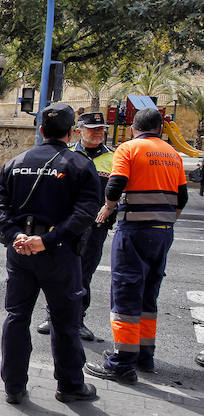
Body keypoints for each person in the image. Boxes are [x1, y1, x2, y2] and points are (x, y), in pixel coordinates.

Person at [0, 103, 100, 404]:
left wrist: (17, 235)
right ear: (71, 132)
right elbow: (86, 211)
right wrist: (48, 240)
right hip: (59, 255)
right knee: (65, 322)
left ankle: (13, 387)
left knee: (16, 317)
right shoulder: (79, 165)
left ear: (40, 130)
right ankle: (70, 385)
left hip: (21, 251)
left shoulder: (17, 161)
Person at [84, 108, 188, 383]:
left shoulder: (129, 149)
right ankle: (144, 355)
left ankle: (121, 362)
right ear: (160, 129)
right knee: (148, 294)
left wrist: (108, 208)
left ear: (132, 128)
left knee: (126, 291)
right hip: (163, 232)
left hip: (134, 231)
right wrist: (164, 220)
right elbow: (183, 197)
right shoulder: (173, 154)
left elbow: (115, 185)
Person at [38, 112, 114, 341]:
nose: (98, 133)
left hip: (95, 229)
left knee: (84, 275)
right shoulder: (65, 155)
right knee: (58, 272)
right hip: (67, 227)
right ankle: (53, 317)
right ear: (79, 131)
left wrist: (110, 213)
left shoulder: (113, 158)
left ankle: (78, 319)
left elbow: (119, 194)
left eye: (101, 129)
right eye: (93, 129)